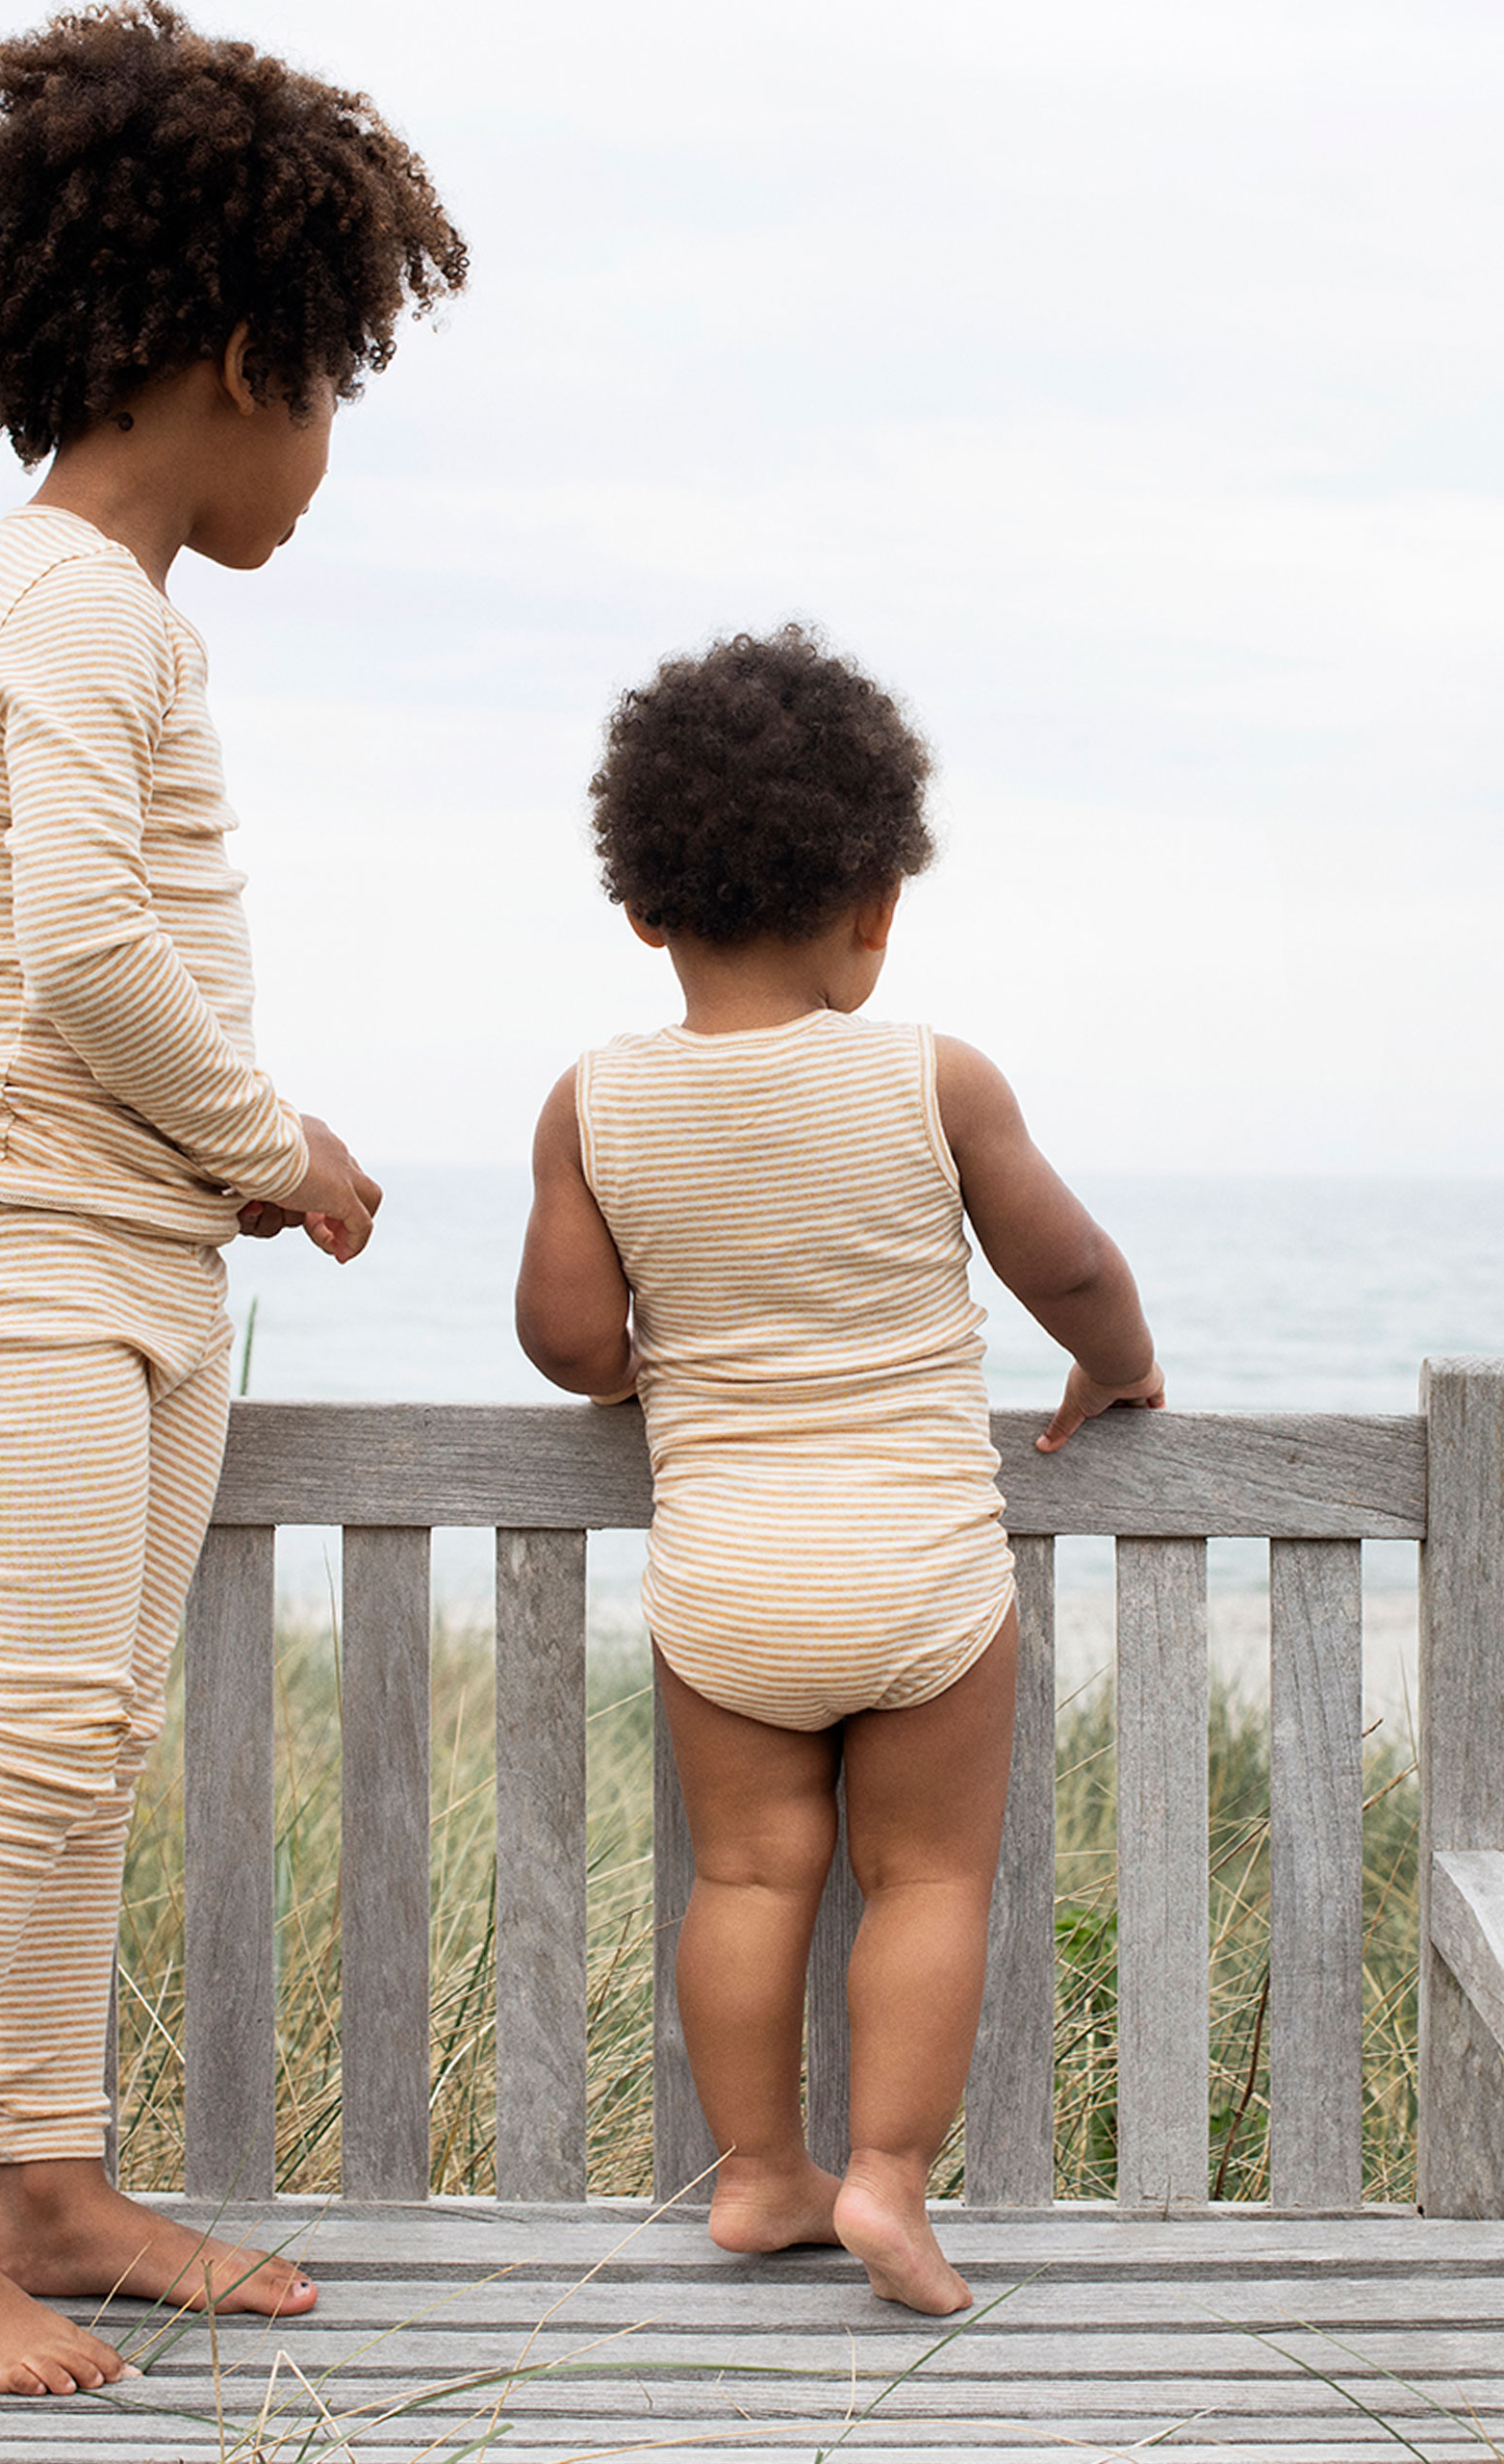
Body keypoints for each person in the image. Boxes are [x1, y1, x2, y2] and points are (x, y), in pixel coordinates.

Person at [0, 1, 466, 2396]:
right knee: (36, 1725)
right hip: (19, 1230)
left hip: (126, 1245)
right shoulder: (77, 601)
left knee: (88, 1730)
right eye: (334, 389)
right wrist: (274, 1144)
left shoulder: (100, 605)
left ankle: (50, 2178)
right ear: (237, 354)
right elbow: (85, 952)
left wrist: (206, 1187)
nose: (328, 454)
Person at [516, 626, 1162, 2315]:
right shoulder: (933, 1078)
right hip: (922, 1573)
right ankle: (884, 2179)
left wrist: (644, 1368)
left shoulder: (594, 1104)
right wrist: (1120, 1362)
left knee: (748, 1876)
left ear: (644, 907)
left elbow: (570, 1342)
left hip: (727, 1582)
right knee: (927, 1877)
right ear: (876, 903)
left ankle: (756, 2173)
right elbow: (1069, 1267)